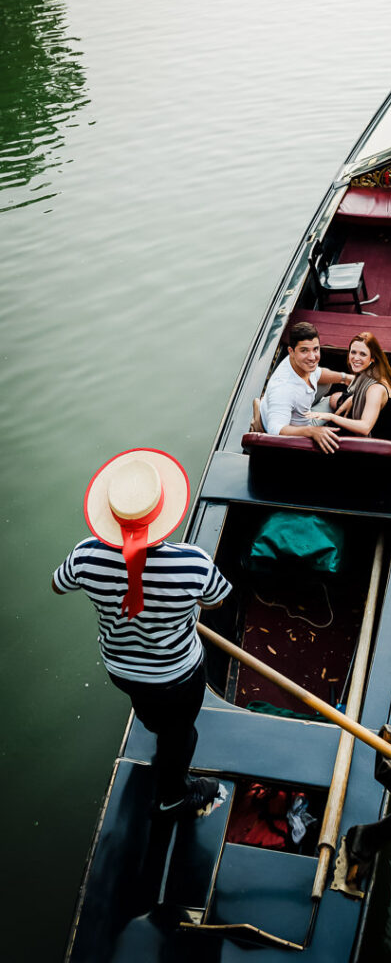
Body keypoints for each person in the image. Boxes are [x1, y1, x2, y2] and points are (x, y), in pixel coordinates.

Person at [52, 448, 232, 818]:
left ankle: (154, 725)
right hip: (177, 675)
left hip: (121, 670)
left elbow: (58, 584)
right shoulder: (193, 563)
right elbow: (216, 601)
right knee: (182, 734)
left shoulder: (85, 555)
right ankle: (174, 795)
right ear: (163, 513)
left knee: (150, 711)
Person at [307, 331, 391, 450]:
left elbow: (365, 427)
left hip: (388, 445)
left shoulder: (375, 389)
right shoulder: (373, 374)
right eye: (353, 352)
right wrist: (353, 398)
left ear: (372, 358)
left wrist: (331, 417)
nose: (356, 358)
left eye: (362, 354)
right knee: (335, 398)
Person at [259, 321, 352, 454]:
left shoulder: (300, 363)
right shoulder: (283, 389)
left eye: (316, 349)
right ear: (291, 351)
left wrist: (346, 378)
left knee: (326, 382)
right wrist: (311, 431)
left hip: (295, 404)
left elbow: (319, 373)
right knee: (337, 400)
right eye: (304, 350)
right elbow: (275, 430)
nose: (312, 357)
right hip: (298, 425)